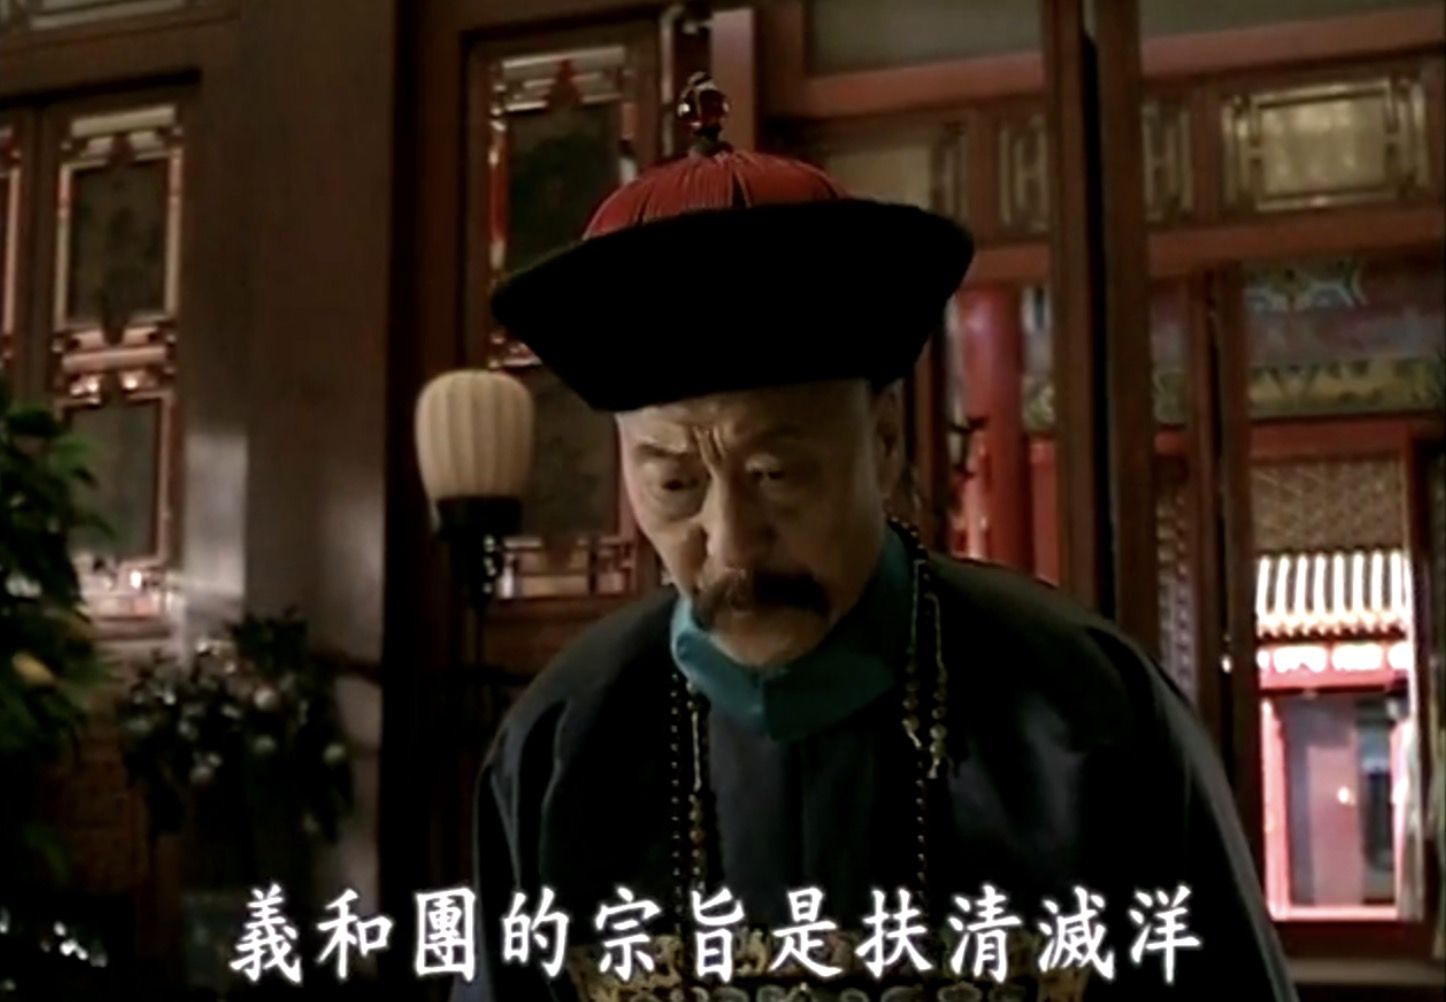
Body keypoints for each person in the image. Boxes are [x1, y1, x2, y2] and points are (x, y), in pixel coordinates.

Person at [452, 77, 1296, 1002]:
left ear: (885, 443)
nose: (732, 543)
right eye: (675, 483)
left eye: (778, 474)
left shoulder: (1086, 714)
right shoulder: (562, 748)